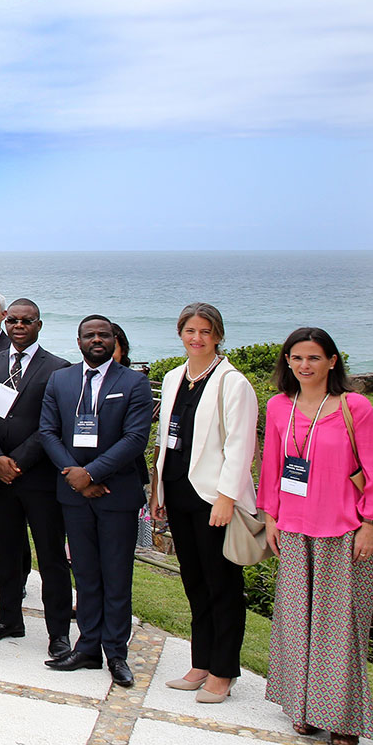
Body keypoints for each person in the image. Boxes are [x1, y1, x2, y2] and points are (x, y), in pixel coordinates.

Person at [259, 327, 373, 745]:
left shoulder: (354, 406)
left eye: (313, 357)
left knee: (340, 625)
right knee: (296, 622)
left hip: (343, 529)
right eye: (296, 357)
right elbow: (272, 465)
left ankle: (343, 718)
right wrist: (270, 516)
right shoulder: (278, 407)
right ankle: (304, 709)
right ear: (287, 362)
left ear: (332, 361)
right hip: (293, 528)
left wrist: (371, 524)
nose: (304, 365)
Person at [152, 301, 260, 703]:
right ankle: (201, 661)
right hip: (179, 493)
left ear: (218, 335)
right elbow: (167, 441)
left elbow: (240, 447)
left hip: (215, 499)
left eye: (205, 331)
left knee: (223, 585)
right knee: (194, 582)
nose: (197, 338)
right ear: (180, 334)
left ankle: (223, 670)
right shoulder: (175, 376)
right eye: (189, 331)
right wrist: (159, 492)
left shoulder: (234, 384)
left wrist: (227, 498)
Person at [39, 315, 153, 688]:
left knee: (116, 576)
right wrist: (75, 474)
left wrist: (93, 473)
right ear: (79, 341)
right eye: (90, 335)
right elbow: (48, 431)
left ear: (114, 339)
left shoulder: (133, 382)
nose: (97, 339)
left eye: (104, 334)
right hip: (73, 494)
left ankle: (115, 652)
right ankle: (87, 647)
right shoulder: (61, 379)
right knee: (85, 574)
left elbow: (135, 438)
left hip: (115, 494)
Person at [0, 299, 74, 655]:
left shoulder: (59, 369)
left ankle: (58, 632)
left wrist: (17, 461)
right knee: (8, 552)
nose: (18, 326)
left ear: (38, 325)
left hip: (39, 477)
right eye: (12, 320)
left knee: (50, 557)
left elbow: (53, 424)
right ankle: (9, 619)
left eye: (25, 321)